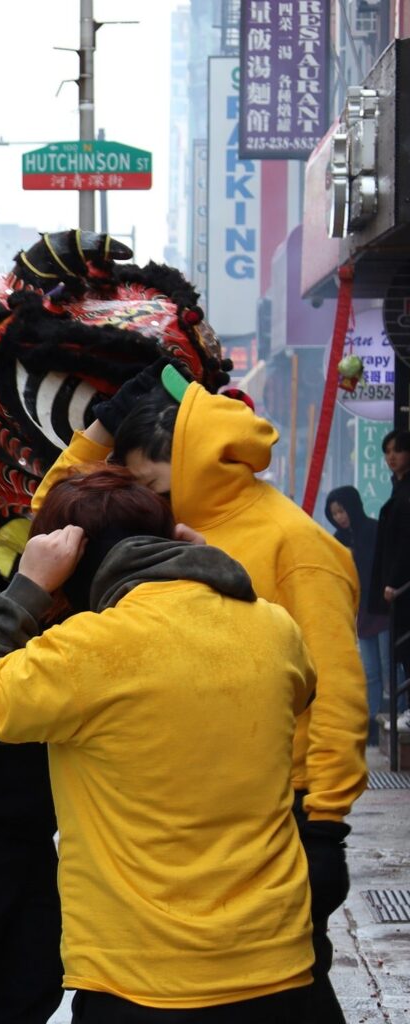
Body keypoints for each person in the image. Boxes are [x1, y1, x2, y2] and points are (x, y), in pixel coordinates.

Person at [40, 368, 366, 1021]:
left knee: (280, 984)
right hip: (171, 805)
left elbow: (335, 693)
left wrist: (324, 826)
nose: (140, 501)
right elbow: (56, 519)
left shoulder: (295, 543)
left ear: (186, 466)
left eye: (151, 486)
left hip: (275, 818)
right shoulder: (166, 530)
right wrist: (99, 429)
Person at [0, 468, 314, 1022]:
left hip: (143, 982)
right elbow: (299, 689)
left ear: (72, 568)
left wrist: (28, 588)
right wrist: (211, 567)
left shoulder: (88, 654)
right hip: (278, 967)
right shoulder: (275, 628)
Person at [326, 485, 391, 744]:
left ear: (352, 506)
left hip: (382, 607)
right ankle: (373, 721)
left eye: (342, 511)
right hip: (362, 610)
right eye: (334, 514)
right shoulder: (338, 539)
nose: (340, 517)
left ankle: (397, 716)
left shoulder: (373, 530)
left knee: (389, 666)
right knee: (370, 671)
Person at [373, 430, 410, 682]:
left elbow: (406, 541)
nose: (391, 456)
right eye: (387, 451)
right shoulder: (397, 488)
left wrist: (394, 581)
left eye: (397, 450)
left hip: (401, 584)